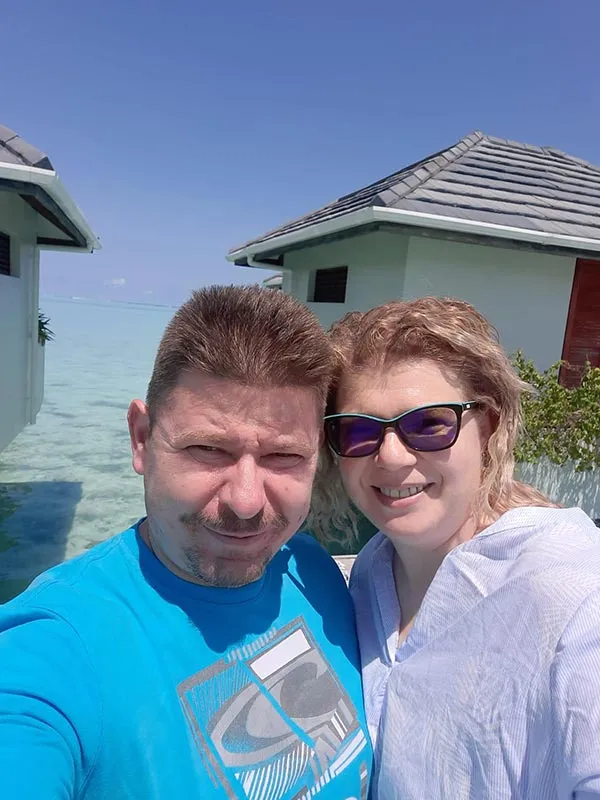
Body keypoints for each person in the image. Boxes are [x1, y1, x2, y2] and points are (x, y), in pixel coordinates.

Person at [0, 286, 372, 800]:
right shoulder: (55, 650)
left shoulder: (310, 569)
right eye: (207, 449)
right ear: (141, 438)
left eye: (284, 457)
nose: (246, 502)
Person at [309, 296, 600, 799]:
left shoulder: (576, 594)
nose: (391, 457)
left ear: (487, 427)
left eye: (428, 425)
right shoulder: (373, 570)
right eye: (358, 431)